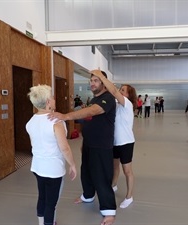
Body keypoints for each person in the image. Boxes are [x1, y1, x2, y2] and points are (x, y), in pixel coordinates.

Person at [48, 70, 116, 225]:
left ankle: (109, 211)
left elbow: (94, 111)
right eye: (91, 81)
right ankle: (88, 195)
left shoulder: (108, 98)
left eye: (96, 81)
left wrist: (66, 116)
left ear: (104, 83)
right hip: (89, 144)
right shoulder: (94, 99)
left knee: (102, 178)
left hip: (102, 146)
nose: (92, 83)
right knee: (86, 173)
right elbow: (90, 118)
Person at [25, 84, 77, 225]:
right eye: (52, 97)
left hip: (37, 167)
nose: (54, 99)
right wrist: (72, 165)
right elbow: (64, 148)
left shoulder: (30, 122)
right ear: (48, 102)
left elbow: (33, 145)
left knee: (42, 197)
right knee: (51, 204)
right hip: (53, 170)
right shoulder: (56, 122)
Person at [91, 70, 137, 208]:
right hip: (114, 142)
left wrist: (100, 76)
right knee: (114, 167)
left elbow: (113, 91)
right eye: (120, 89)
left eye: (123, 90)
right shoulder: (115, 105)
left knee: (127, 170)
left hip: (126, 143)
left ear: (128, 95)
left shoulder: (127, 104)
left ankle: (129, 196)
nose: (120, 91)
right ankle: (114, 185)